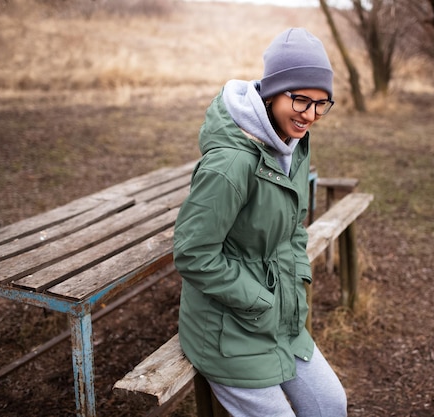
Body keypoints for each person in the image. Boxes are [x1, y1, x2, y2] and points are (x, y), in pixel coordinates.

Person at [173, 27, 347, 417]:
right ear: (273, 92)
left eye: (322, 104)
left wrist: (298, 279)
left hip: (279, 318)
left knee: (332, 405)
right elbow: (192, 253)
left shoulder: (292, 144)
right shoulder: (231, 163)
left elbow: (293, 225)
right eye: (300, 99)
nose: (310, 115)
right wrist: (259, 301)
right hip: (226, 330)